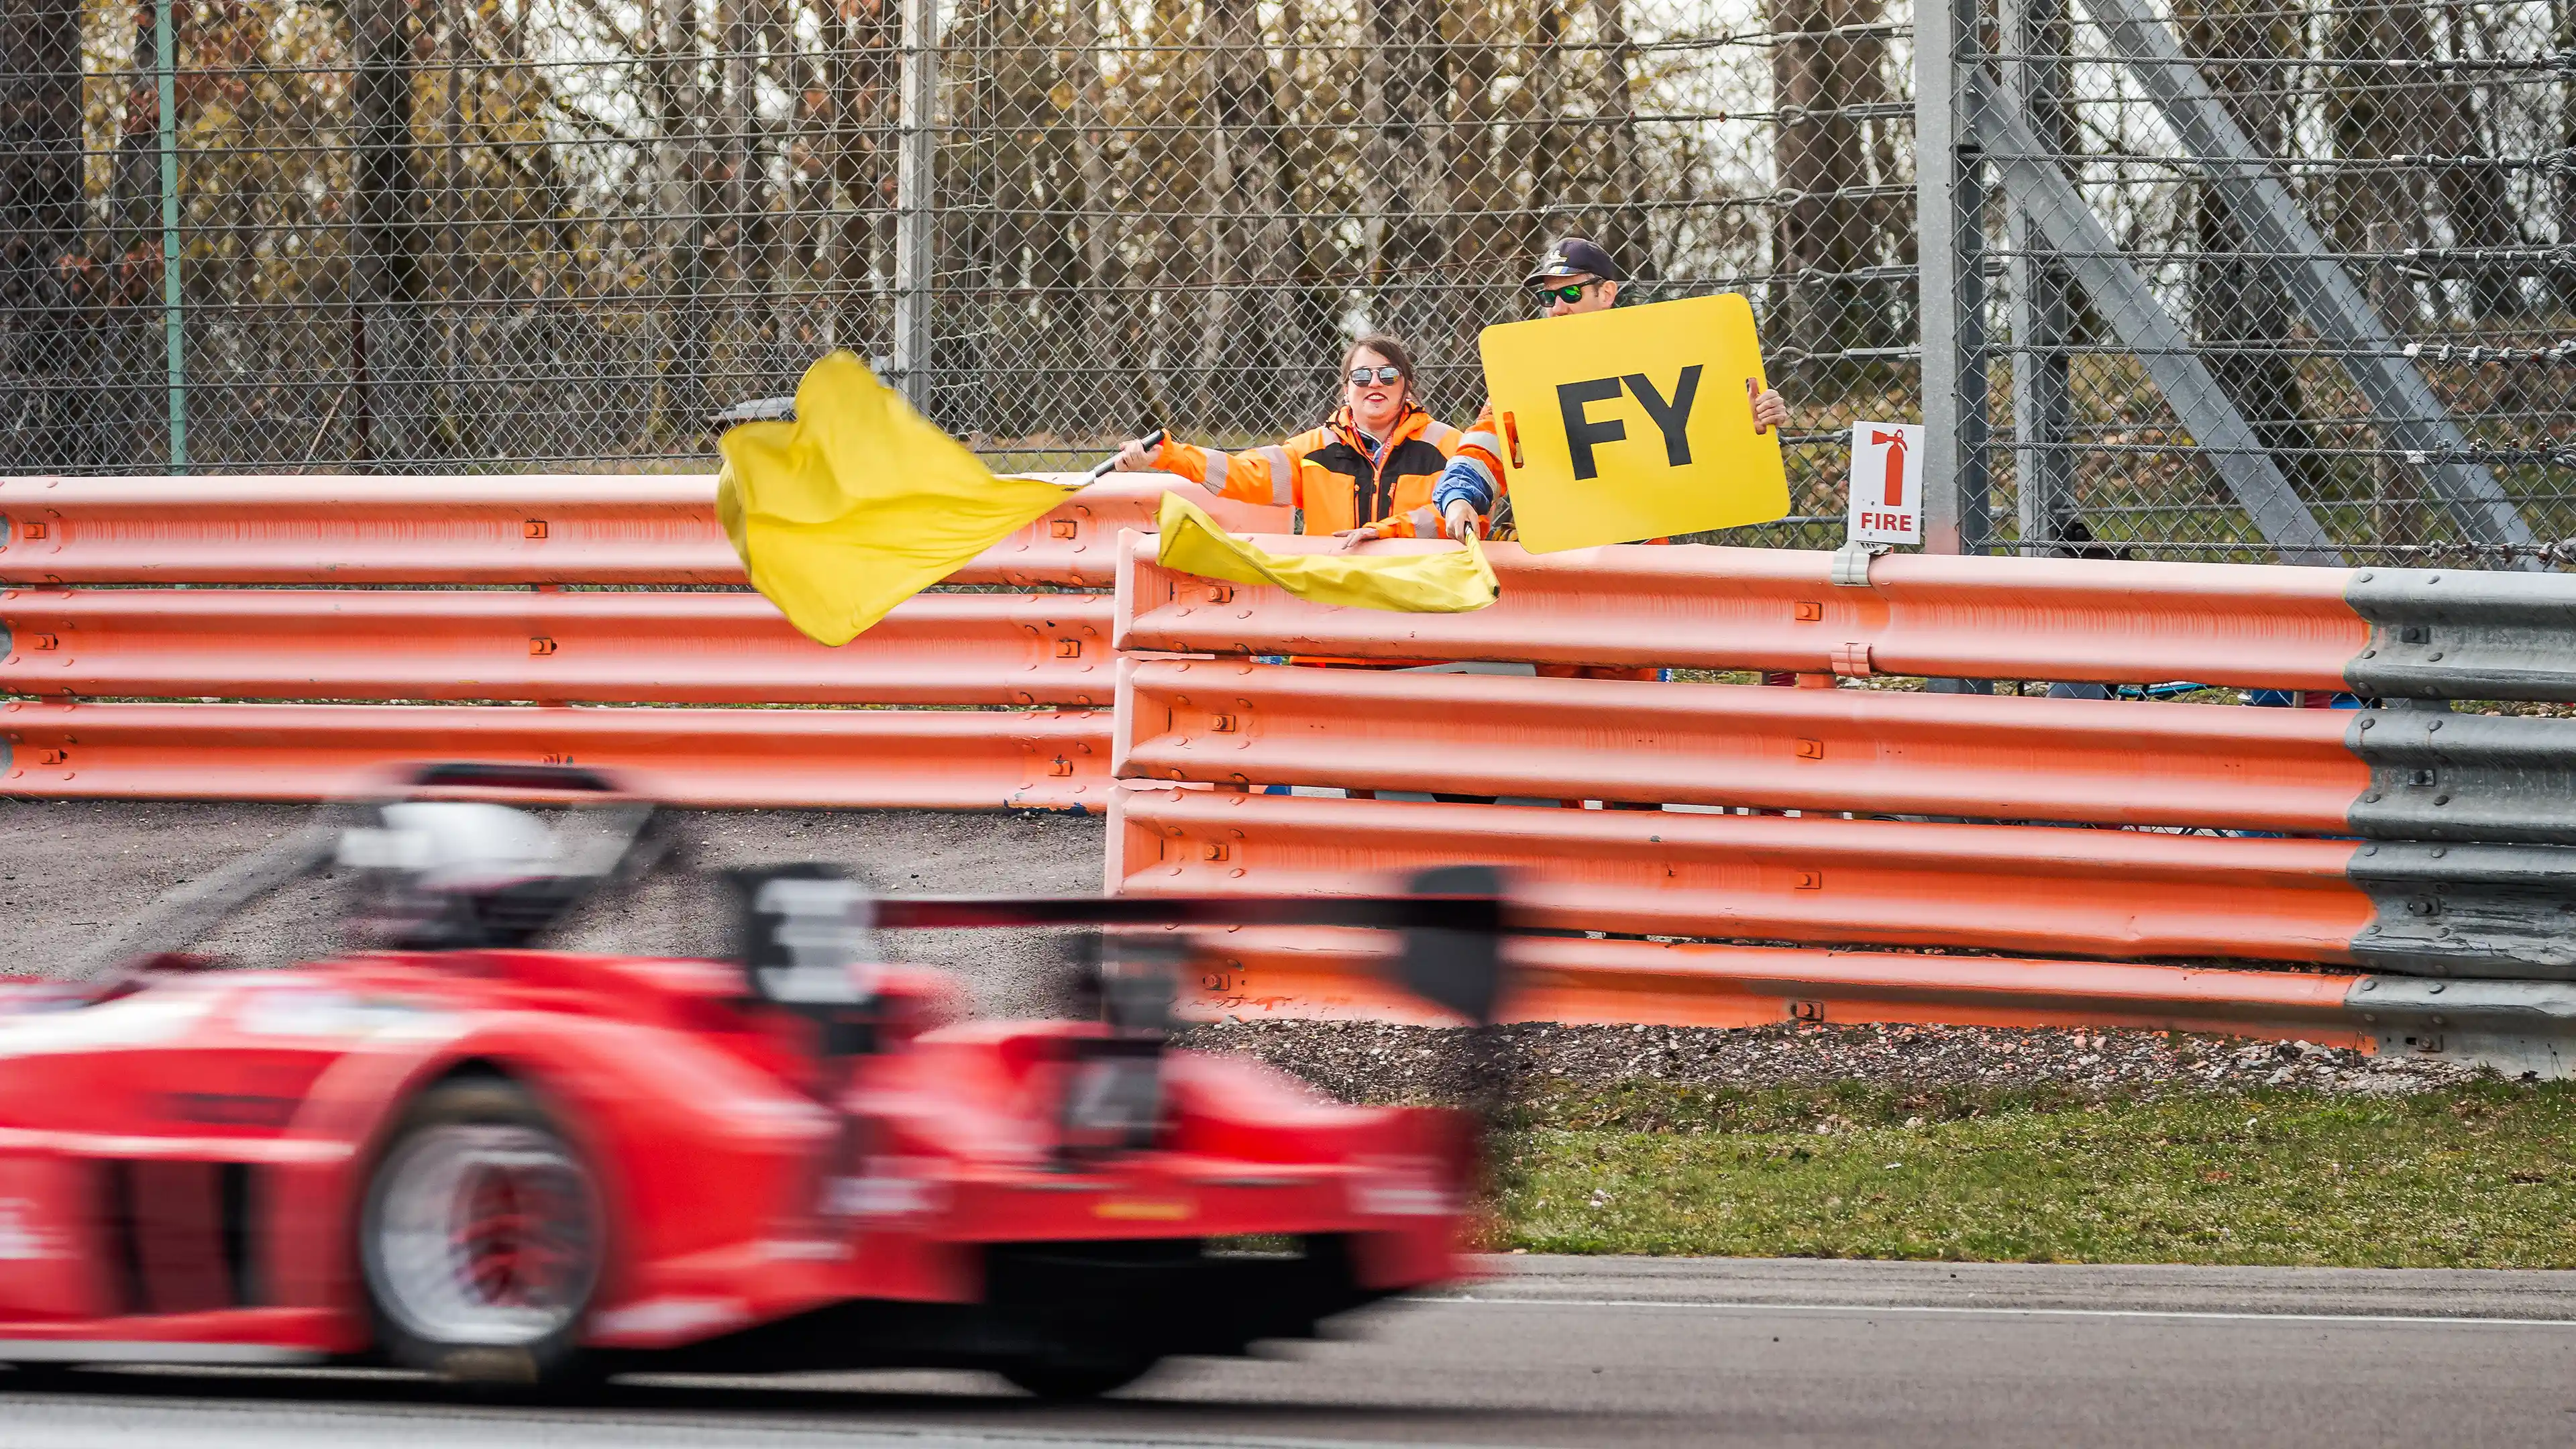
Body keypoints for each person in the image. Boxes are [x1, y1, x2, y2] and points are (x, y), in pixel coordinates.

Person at [1432, 235, 1790, 547]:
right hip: (1558, 547)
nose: (1557, 309)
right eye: (1547, 298)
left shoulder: (1659, 356)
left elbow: (1700, 432)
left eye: (1570, 292)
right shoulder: (1526, 372)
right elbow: (1486, 442)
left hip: (1639, 547)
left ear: (1606, 293)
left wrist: (1755, 423)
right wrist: (1460, 495)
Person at [1110, 335, 1467, 550]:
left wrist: (1383, 532)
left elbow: (1465, 515)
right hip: (1332, 606)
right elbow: (1241, 473)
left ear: (1406, 386)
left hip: (1421, 607)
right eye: (1361, 376)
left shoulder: (1449, 445)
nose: (1375, 383)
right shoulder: (1310, 450)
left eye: (1388, 375)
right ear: (1346, 389)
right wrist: (1168, 455)